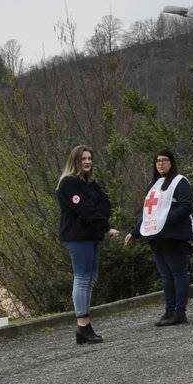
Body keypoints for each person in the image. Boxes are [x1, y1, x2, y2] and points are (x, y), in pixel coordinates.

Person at [123, 148, 193, 325]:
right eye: (158, 161)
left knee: (178, 273)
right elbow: (149, 214)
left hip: (175, 236)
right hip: (157, 238)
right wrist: (134, 232)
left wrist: (165, 219)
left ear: (172, 162)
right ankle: (169, 311)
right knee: (165, 276)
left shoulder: (180, 182)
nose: (161, 163)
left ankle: (180, 312)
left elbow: (187, 206)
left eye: (164, 160)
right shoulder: (153, 186)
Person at [56, 144, 120, 344]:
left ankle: (84, 325)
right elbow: (85, 209)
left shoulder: (90, 184)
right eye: (83, 159)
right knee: (82, 279)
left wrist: (99, 221)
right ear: (75, 161)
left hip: (91, 236)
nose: (87, 162)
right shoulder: (68, 184)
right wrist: (106, 227)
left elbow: (104, 204)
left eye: (89, 159)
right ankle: (83, 325)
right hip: (77, 237)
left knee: (91, 279)